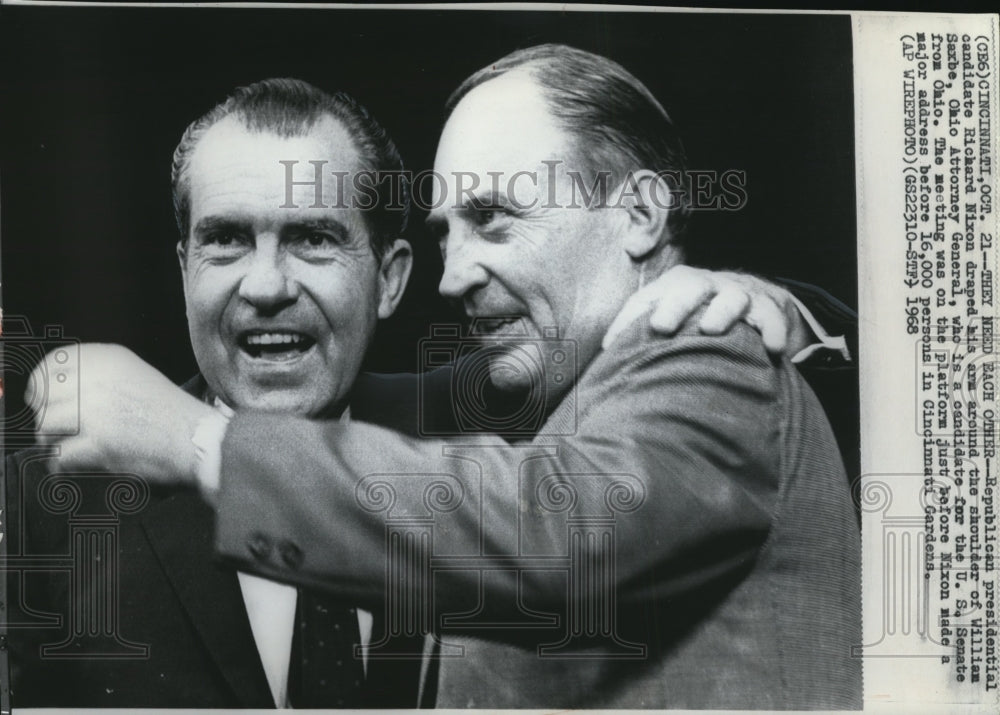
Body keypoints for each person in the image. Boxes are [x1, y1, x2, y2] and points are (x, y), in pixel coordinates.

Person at [9, 74, 810, 708]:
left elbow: (606, 454)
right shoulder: (35, 496)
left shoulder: (490, 408)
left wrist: (762, 301)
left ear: (389, 280)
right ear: (183, 268)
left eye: (314, 237)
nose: (265, 286)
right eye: (224, 240)